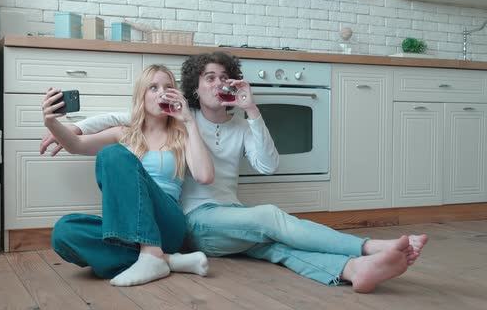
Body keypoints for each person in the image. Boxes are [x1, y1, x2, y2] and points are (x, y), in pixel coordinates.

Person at [41, 52, 429, 293]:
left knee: (268, 234)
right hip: (192, 223)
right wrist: (67, 125)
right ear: (194, 86)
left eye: (223, 77)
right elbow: (121, 119)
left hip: (203, 218)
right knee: (67, 229)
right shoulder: (159, 121)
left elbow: (262, 166)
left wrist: (253, 110)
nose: (218, 83)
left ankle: (356, 262)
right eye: (208, 77)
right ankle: (166, 260)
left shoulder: (203, 124)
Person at [42, 64, 213, 287]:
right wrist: (51, 122)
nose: (162, 92)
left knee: (112, 154)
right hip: (129, 228)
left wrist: (188, 120)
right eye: (153, 87)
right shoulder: (124, 134)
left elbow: (205, 175)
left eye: (168, 87)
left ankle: (152, 253)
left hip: (167, 224)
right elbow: (74, 145)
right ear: (141, 96)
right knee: (64, 231)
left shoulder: (182, 134)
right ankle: (164, 260)